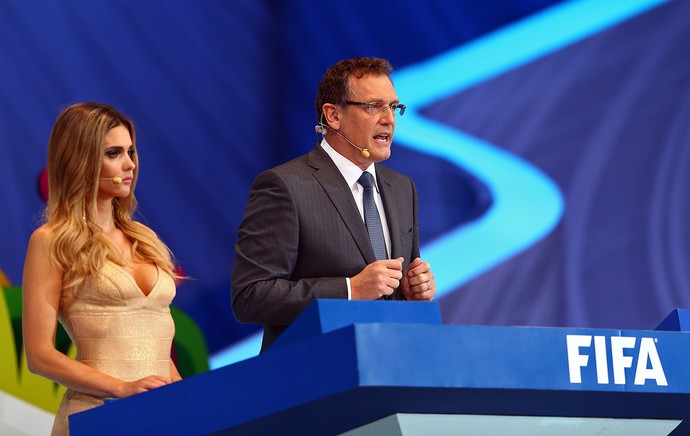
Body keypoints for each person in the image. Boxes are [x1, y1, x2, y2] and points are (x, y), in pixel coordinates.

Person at [231, 57, 436, 352]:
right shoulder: (285, 186)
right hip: (316, 373)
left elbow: (397, 284)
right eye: (373, 106)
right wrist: (351, 290)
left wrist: (415, 289)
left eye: (393, 107)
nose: (389, 119)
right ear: (333, 115)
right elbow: (250, 296)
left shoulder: (403, 188)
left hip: (393, 363)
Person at [22, 102, 182, 435]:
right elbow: (39, 355)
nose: (130, 164)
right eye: (113, 153)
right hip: (96, 417)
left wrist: (188, 400)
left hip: (161, 418)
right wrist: (121, 389)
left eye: (131, 152)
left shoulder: (145, 238)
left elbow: (156, 350)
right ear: (79, 159)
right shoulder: (50, 241)